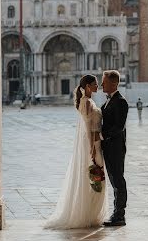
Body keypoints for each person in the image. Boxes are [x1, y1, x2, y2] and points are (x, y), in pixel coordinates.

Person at [45, 74, 107, 229]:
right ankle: (90, 214)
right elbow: (88, 128)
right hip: (93, 144)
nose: (97, 86)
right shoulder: (87, 102)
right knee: (97, 177)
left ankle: (91, 213)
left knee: (95, 178)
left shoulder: (88, 101)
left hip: (95, 143)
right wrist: (92, 148)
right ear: (87, 86)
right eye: (95, 84)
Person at [101, 70, 129, 226]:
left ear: (113, 83)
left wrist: (102, 136)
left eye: (104, 81)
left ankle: (119, 215)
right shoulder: (108, 101)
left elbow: (119, 126)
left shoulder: (121, 101)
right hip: (109, 147)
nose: (102, 84)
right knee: (114, 180)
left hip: (116, 147)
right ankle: (117, 213)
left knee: (118, 180)